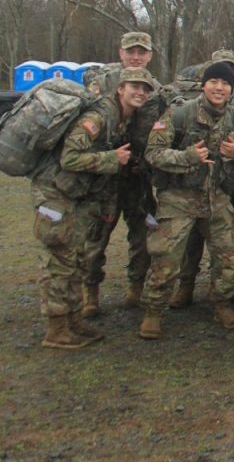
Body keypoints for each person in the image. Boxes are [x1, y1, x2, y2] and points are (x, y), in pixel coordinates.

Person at [31, 68, 156, 348]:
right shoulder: (99, 116)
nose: (141, 92)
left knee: (74, 261)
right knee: (59, 264)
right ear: (120, 88)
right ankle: (56, 330)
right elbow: (69, 159)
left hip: (74, 197)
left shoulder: (121, 119)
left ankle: (73, 322)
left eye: (146, 88)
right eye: (135, 86)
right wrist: (112, 158)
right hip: (56, 195)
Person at [139, 62, 234, 338]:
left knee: (229, 256)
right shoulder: (178, 113)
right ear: (204, 85)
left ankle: (221, 302)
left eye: (225, 84)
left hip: (216, 196)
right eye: (214, 82)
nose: (219, 88)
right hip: (179, 197)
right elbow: (153, 152)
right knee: (165, 258)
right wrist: (186, 157)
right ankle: (153, 311)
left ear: (231, 90)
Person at [80, 31, 160, 316]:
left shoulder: (156, 90)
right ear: (121, 53)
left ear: (150, 55)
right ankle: (90, 293)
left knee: (142, 235)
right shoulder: (102, 83)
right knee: (96, 235)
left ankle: (135, 288)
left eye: (142, 52)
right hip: (105, 177)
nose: (136, 57)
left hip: (139, 178)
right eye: (131, 51)